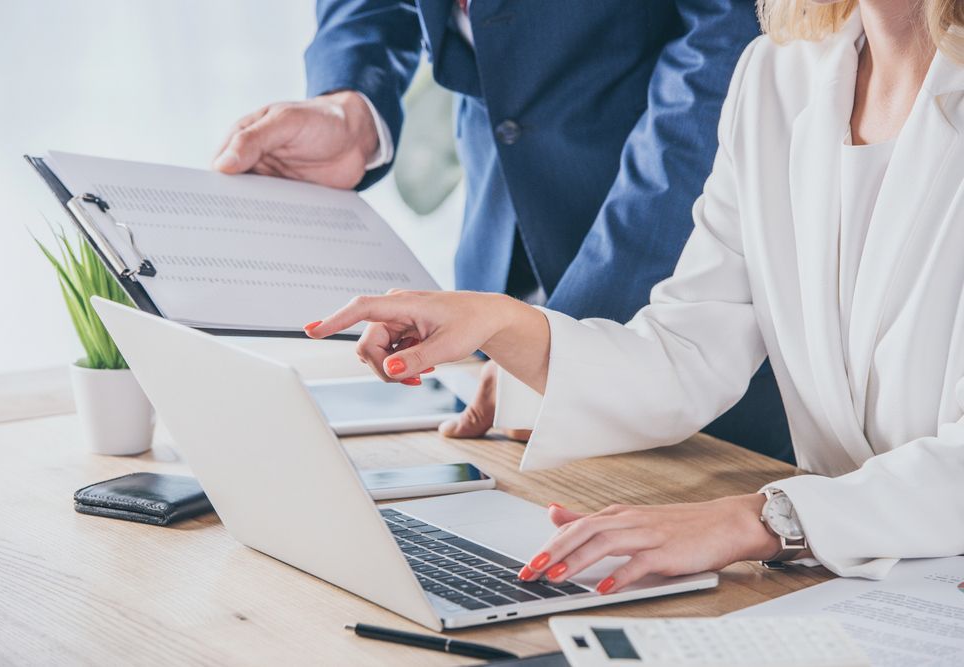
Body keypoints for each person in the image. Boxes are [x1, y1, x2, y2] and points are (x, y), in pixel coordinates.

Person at [304, 0, 964, 592]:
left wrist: (764, 517)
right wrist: (499, 322)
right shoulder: (777, 75)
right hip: (841, 590)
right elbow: (688, 349)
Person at [212, 0, 795, 462]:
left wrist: (552, 352)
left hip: (664, 256)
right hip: (497, 239)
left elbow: (724, 45)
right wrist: (352, 101)